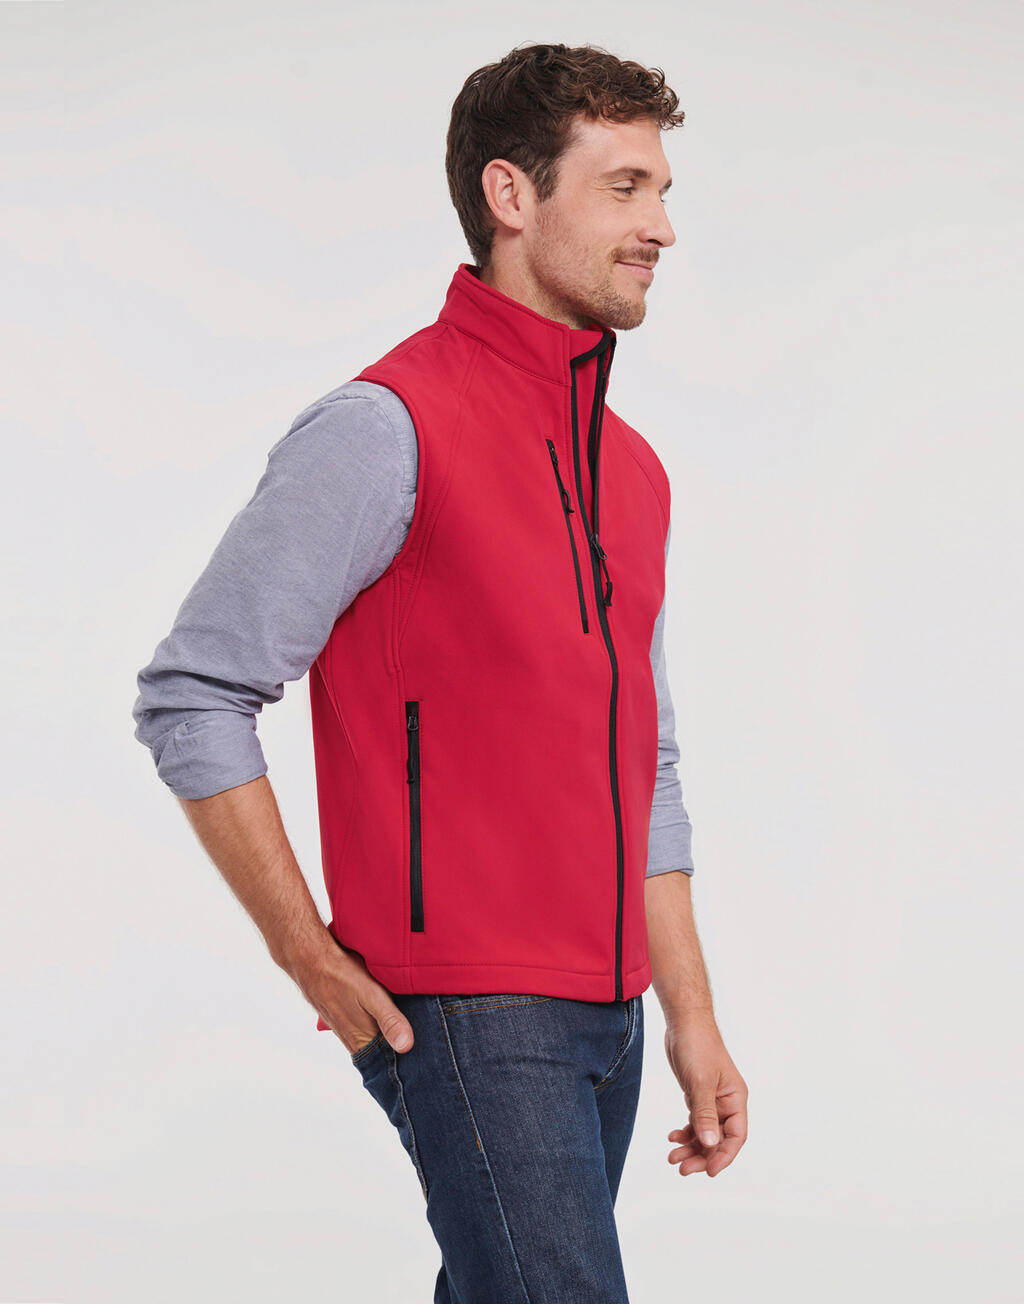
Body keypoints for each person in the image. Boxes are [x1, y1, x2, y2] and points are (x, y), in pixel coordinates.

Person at [132, 41, 748, 1303]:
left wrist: (689, 1014)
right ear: (510, 195)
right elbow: (196, 691)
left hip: (611, 1011)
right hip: (469, 1005)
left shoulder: (632, 472)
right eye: (624, 187)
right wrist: (305, 950)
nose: (662, 227)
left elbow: (649, 760)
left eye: (662, 190)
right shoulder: (385, 429)